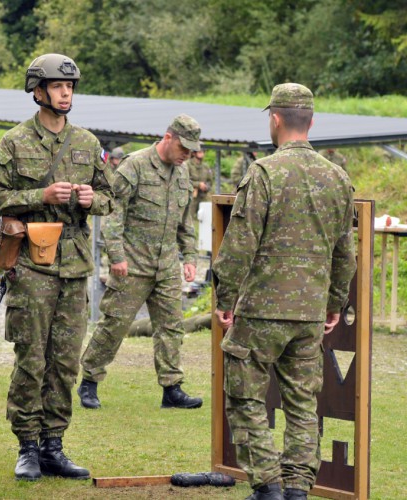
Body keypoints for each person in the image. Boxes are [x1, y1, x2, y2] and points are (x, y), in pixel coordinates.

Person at [213, 83, 356, 500]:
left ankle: (268, 484)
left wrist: (225, 300)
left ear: (274, 119)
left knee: (246, 397)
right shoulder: (337, 178)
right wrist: (333, 304)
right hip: (309, 314)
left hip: (260, 312)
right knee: (302, 404)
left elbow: (239, 245)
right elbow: (345, 253)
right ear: (310, 122)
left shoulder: (264, 173)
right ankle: (297, 487)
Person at [0, 53, 115, 481]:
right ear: (37, 91)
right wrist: (41, 196)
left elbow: (111, 197)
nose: (65, 93)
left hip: (74, 266)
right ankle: (27, 446)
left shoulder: (88, 144)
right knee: (31, 358)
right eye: (58, 86)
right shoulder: (14, 142)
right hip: (32, 266)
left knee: (65, 361)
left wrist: (96, 201)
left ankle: (54, 444)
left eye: (70, 87)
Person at [78, 114, 203, 411]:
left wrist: (190, 257)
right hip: (133, 264)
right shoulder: (134, 165)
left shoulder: (182, 174)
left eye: (191, 149)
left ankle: (172, 388)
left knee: (171, 327)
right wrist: (117, 257)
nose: (187, 154)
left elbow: (185, 222)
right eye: (183, 147)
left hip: (167, 265)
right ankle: (89, 381)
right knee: (114, 325)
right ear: (168, 137)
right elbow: (113, 213)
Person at [187, 147, 211, 219]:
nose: (202, 153)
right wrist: (198, 184)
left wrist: (206, 186)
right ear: (194, 153)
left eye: (203, 152)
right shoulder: (187, 165)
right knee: (189, 218)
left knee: (205, 218)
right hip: (191, 196)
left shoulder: (205, 166)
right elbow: (184, 181)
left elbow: (210, 181)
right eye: (200, 152)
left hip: (203, 196)